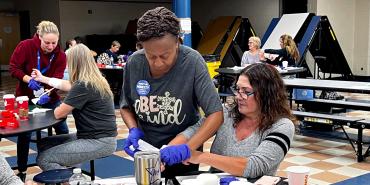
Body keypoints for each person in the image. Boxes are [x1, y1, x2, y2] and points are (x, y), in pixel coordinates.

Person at [119, 7, 223, 177]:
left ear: (178, 42)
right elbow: (125, 106)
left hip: (184, 149)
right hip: (148, 151)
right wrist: (132, 129)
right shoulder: (134, 63)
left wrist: (187, 148)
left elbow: (216, 115)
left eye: (165, 55)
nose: (158, 63)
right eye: (151, 56)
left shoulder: (192, 61)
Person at [182, 63, 295, 178]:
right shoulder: (226, 112)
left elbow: (254, 167)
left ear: (266, 94)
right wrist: (169, 151)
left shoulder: (282, 126)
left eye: (246, 92)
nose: (238, 96)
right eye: (237, 89)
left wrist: (200, 156)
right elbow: (194, 130)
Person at [31, 44, 117, 170]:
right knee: (45, 143)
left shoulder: (84, 85)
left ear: (74, 63)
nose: (66, 66)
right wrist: (42, 78)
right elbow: (66, 84)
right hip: (97, 136)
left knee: (44, 159)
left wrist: (54, 102)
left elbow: (58, 114)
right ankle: (69, 171)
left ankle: (69, 178)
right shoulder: (95, 80)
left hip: (99, 141)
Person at [9, 20, 69, 180]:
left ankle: (64, 164)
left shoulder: (60, 55)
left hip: (50, 96)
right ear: (39, 38)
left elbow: (58, 78)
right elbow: (14, 68)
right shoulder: (26, 46)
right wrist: (28, 79)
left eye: (54, 43)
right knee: (25, 133)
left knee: (62, 128)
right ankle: (21, 170)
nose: (50, 46)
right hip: (25, 97)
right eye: (47, 43)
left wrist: (48, 93)